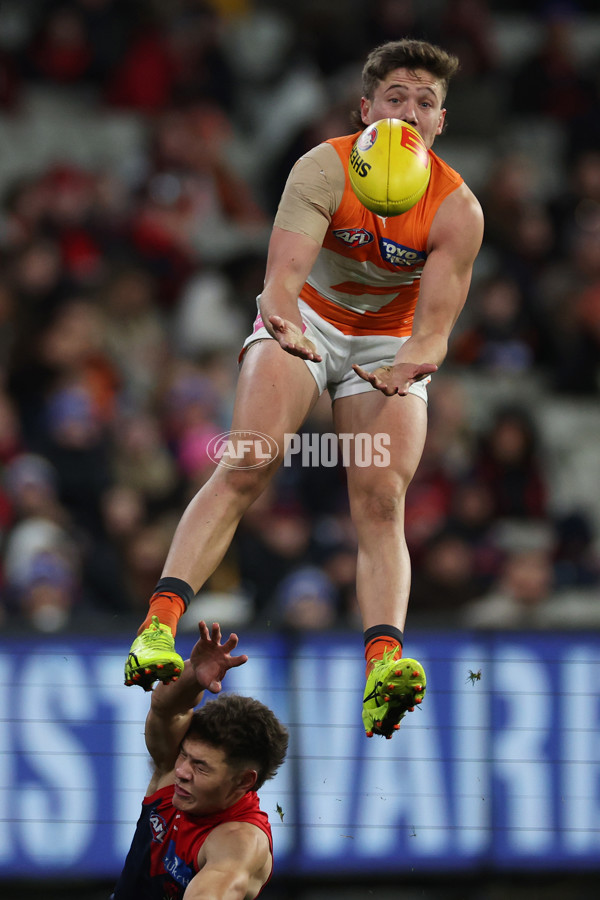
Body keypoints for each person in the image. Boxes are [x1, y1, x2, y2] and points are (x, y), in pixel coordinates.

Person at [124, 38, 484, 739]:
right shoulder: (322, 166)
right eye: (396, 98)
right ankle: (157, 628)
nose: (410, 112)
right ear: (366, 110)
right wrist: (284, 330)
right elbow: (282, 283)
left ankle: (383, 666)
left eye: (425, 102)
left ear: (441, 122)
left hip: (389, 338)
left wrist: (413, 366)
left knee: (381, 497)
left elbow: (435, 331)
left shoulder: (457, 210)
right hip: (308, 317)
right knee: (248, 462)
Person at [113, 620, 288, 900]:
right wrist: (194, 673)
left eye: (201, 767)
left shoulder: (239, 841)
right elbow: (164, 708)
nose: (181, 771)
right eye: (185, 755)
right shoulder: (172, 767)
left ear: (244, 781)